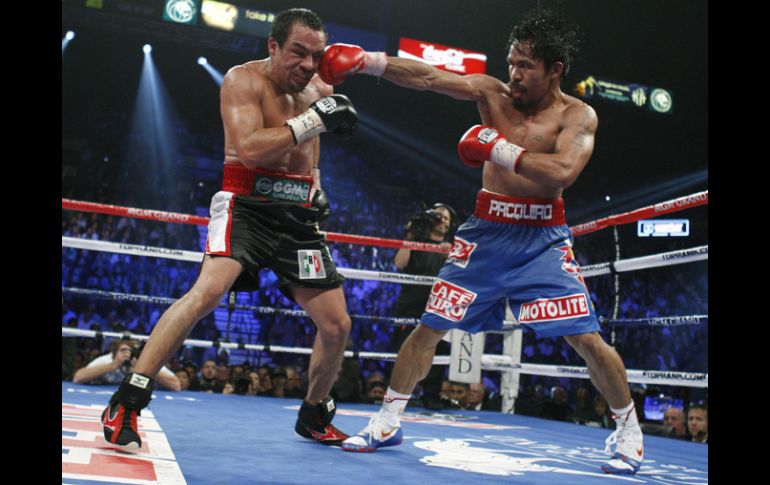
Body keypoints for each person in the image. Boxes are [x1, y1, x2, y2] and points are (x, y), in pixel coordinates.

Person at [321, 8, 645, 474]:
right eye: (511, 62)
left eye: (526, 66)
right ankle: (388, 420)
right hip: (486, 233)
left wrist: (498, 148)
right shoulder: (493, 93)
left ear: (555, 70)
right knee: (430, 325)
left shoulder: (578, 116)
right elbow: (430, 78)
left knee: (585, 338)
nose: (514, 74)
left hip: (542, 241)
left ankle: (628, 429)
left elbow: (563, 172)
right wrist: (368, 62)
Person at [101, 8, 359, 451]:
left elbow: (309, 156)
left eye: (316, 55)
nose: (308, 65)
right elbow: (250, 148)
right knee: (208, 292)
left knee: (337, 325)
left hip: (298, 218)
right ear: (273, 45)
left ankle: (315, 413)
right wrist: (316, 118)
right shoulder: (243, 80)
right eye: (298, 52)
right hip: (247, 205)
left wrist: (316, 190)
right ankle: (127, 399)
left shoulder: (320, 89)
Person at [390, 203, 455, 409]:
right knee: (405, 350)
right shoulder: (416, 242)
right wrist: (410, 237)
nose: (443, 220)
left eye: (446, 218)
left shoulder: (452, 248)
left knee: (437, 351)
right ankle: (399, 395)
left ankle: (431, 395)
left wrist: (451, 255)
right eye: (439, 216)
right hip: (410, 307)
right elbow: (399, 264)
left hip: (438, 307)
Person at [74, 338, 181, 391]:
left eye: (131, 351)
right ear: (115, 353)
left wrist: (142, 369)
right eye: (123, 350)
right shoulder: (108, 360)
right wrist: (113, 365)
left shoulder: (143, 361)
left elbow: (176, 385)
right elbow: (78, 377)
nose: (127, 354)